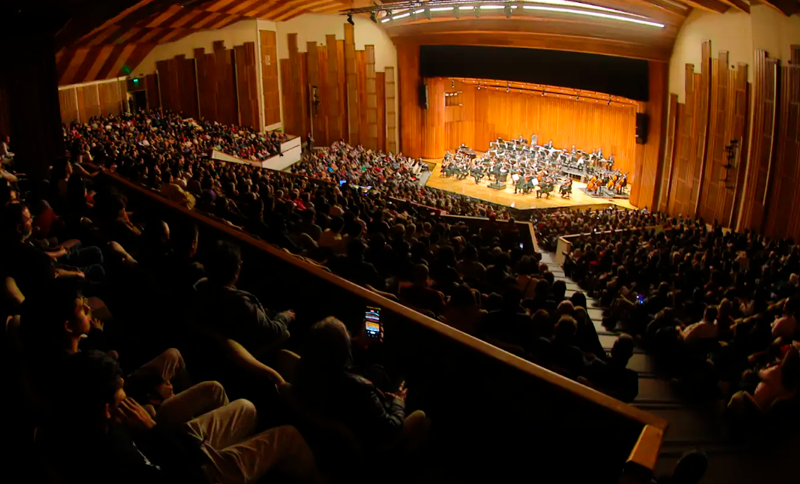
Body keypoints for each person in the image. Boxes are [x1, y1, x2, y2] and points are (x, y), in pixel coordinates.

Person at [37, 351, 323, 484]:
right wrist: (151, 431)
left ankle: (247, 463)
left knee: (245, 407)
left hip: (172, 448)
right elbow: (189, 476)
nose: (128, 403)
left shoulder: (73, 422)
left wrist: (149, 420)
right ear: (107, 409)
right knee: (288, 435)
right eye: (121, 398)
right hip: (194, 471)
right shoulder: (120, 459)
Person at [294, 317, 429, 450]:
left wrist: (358, 341)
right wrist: (399, 402)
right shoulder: (359, 389)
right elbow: (390, 429)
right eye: (347, 336)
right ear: (344, 351)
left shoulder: (303, 369)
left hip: (325, 441)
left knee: (376, 371)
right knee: (420, 410)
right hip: (369, 449)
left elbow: (329, 351)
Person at [195, 241, 294, 357]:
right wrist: (285, 317)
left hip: (207, 347)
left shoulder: (200, 286)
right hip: (235, 353)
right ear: (238, 268)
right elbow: (272, 330)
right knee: (285, 333)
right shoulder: (240, 303)